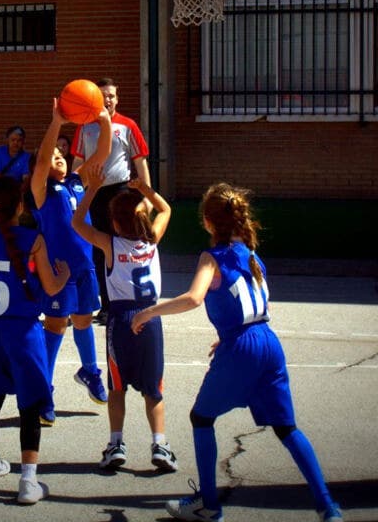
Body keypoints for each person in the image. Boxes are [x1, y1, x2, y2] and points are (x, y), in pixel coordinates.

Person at [131, 183, 343, 522]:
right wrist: (231, 335)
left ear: (208, 222)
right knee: (287, 429)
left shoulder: (210, 257)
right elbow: (259, 305)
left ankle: (209, 506)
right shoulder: (253, 255)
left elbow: (194, 298)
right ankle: (328, 507)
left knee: (201, 418)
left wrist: (148, 312)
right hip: (267, 342)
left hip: (242, 346)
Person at [0, 176, 70, 504]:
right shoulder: (34, 238)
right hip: (24, 330)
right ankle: (28, 480)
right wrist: (63, 275)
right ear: (20, 206)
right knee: (29, 405)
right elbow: (50, 287)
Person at [72, 164, 177, 473]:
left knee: (117, 387)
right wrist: (145, 190)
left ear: (115, 224)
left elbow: (77, 222)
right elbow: (166, 208)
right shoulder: (152, 240)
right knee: (153, 387)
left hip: (121, 318)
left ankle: (116, 443)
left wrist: (92, 188)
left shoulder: (110, 244)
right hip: (150, 317)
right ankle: (160, 444)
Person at [29, 99, 112, 424]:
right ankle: (43, 390)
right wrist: (56, 123)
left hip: (85, 267)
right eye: (53, 156)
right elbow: (41, 160)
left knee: (83, 320)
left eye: (61, 154)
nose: (59, 157)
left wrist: (103, 120)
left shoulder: (77, 182)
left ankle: (90, 371)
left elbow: (102, 155)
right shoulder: (41, 191)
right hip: (58, 271)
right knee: (55, 324)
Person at [72, 77, 152, 325]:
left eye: (111, 96)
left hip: (120, 191)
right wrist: (76, 190)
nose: (107, 99)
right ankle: (106, 305)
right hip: (94, 193)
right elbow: (77, 161)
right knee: (99, 248)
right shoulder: (85, 126)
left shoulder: (128, 125)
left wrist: (147, 198)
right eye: (103, 95)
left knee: (121, 246)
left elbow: (140, 162)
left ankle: (124, 300)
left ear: (117, 99)